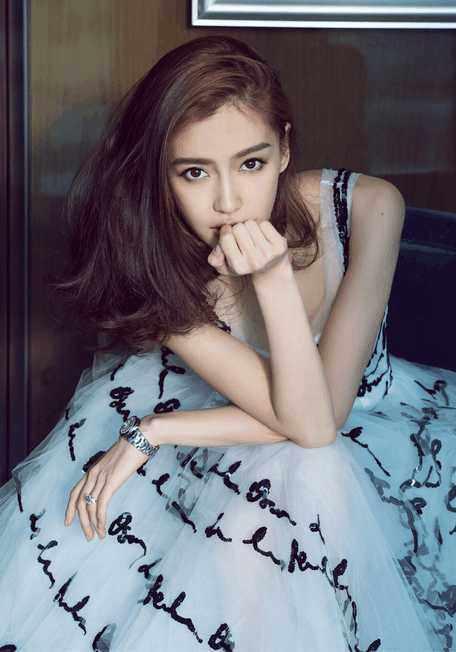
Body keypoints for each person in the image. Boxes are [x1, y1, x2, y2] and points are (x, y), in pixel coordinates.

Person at [0, 34, 454, 652]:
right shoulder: (156, 265)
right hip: (247, 428)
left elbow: (319, 419)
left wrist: (156, 431)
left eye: (251, 163)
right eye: (194, 172)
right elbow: (306, 427)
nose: (229, 201)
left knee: (309, 467)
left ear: (285, 148)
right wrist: (270, 283)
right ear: (161, 177)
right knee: (304, 471)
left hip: (380, 421)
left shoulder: (369, 207)